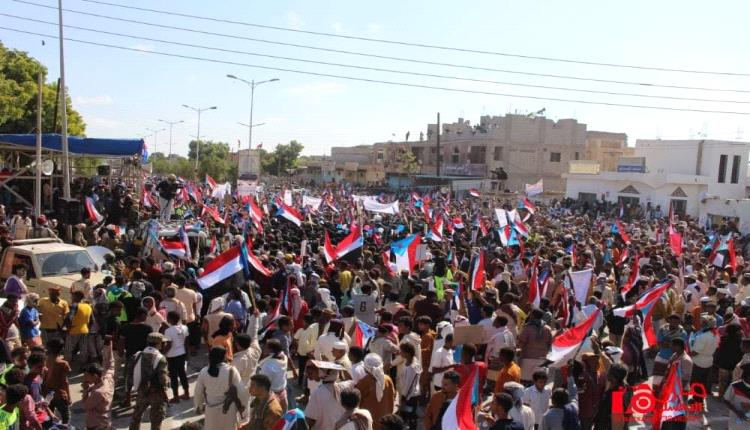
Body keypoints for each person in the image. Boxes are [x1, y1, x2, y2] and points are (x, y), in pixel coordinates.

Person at [193, 346, 249, 429]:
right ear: (224, 357)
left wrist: (198, 407)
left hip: (211, 411)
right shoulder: (231, 371)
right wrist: (243, 408)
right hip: (228, 410)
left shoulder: (204, 371)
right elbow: (242, 392)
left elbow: (198, 392)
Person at [129, 332, 169, 430]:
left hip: (142, 391)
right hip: (156, 393)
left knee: (136, 417)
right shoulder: (161, 358)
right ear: (158, 343)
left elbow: (130, 373)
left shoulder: (137, 355)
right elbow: (163, 380)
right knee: (156, 421)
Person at [119, 307, 153, 406]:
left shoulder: (125, 327)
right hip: (144, 356)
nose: (146, 317)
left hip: (130, 355)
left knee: (128, 378)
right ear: (142, 315)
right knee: (143, 377)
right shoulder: (148, 328)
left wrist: (121, 352)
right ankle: (142, 398)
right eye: (146, 315)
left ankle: (128, 400)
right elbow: (150, 343)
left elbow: (121, 342)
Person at [81, 335, 116, 430]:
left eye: (87, 375)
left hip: (96, 425)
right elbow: (110, 365)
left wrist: (85, 390)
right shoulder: (108, 379)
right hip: (106, 421)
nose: (85, 378)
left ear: (95, 376)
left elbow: (86, 406)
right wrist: (108, 345)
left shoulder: (98, 393)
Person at [355, 353, 396, 430]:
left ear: (365, 368)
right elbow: (393, 396)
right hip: (385, 421)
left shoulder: (364, 382)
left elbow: (356, 402)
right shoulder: (388, 379)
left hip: (370, 422)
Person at [306, 360, 350, 430]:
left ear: (322, 374)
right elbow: (352, 381)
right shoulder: (344, 387)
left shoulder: (317, 393)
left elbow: (310, 419)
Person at [164, 310, 190, 403]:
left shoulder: (168, 331)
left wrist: (163, 353)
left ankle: (176, 397)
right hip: (182, 353)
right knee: (182, 374)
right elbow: (186, 342)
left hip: (172, 356)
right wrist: (187, 353)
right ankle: (186, 393)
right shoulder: (184, 327)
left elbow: (169, 345)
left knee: (173, 376)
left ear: (170, 319)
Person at [43, 338, 71, 425]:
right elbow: (65, 382)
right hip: (59, 394)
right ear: (61, 349)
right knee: (66, 417)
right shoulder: (63, 363)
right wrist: (69, 397)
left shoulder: (45, 360)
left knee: (49, 416)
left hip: (47, 393)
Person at [258, 338, 289, 412]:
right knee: (283, 414)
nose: (263, 348)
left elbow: (264, 384)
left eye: (266, 347)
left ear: (271, 351)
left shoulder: (268, 366)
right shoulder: (284, 357)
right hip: (282, 392)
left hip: (272, 396)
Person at [64, 290, 93, 368]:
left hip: (74, 331)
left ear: (76, 297)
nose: (71, 297)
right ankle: (83, 366)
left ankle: (66, 367)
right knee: (83, 350)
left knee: (68, 349)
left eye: (72, 296)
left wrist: (68, 328)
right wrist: (87, 328)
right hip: (85, 331)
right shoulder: (88, 306)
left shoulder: (74, 305)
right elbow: (92, 321)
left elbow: (69, 318)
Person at [396, 342, 421, 427]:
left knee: (409, 416)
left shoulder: (411, 368)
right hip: (410, 395)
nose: (400, 353)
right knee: (409, 414)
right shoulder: (413, 362)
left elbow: (408, 385)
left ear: (407, 353)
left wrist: (404, 398)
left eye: (402, 351)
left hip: (409, 397)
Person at [723, 363, 750, 430]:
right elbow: (725, 400)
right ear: (746, 375)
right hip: (735, 421)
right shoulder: (735, 386)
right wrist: (737, 412)